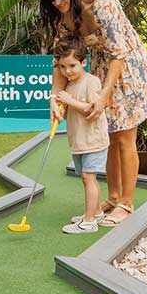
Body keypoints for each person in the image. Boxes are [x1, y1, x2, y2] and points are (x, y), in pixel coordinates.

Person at [38, 0, 147, 226]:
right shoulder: (62, 18)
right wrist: (54, 99)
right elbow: (59, 61)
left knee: (124, 136)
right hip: (102, 69)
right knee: (108, 133)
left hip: (128, 67)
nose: (57, 1)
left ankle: (126, 203)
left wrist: (103, 96)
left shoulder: (101, 3)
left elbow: (118, 53)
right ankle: (112, 198)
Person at [50, 39, 108, 234]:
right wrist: (61, 111)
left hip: (93, 140)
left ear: (83, 62)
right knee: (87, 178)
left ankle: (89, 222)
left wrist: (69, 100)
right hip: (78, 140)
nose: (67, 71)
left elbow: (93, 109)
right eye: (62, 67)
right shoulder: (69, 85)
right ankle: (97, 213)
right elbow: (72, 113)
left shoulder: (91, 82)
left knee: (88, 178)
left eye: (72, 66)